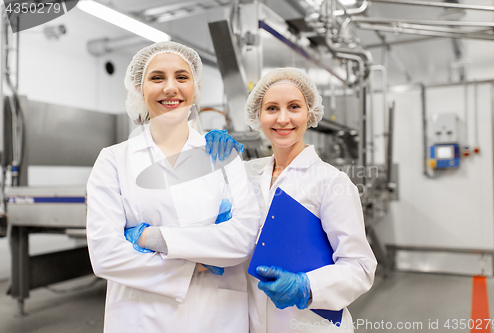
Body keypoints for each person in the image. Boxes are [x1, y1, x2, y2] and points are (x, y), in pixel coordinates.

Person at [86, 41, 260, 333]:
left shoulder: (223, 155)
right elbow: (105, 255)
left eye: (182, 77)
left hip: (217, 317)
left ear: (195, 88)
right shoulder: (113, 160)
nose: (170, 88)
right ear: (140, 89)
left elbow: (243, 238)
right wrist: (197, 262)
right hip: (141, 318)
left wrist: (153, 239)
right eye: (157, 78)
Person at [206, 67, 377, 332]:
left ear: (309, 113)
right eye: (272, 108)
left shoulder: (331, 182)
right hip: (251, 322)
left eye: (294, 107)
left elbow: (360, 267)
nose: (283, 118)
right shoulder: (247, 174)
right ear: (258, 116)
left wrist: (307, 287)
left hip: (310, 324)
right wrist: (211, 161)